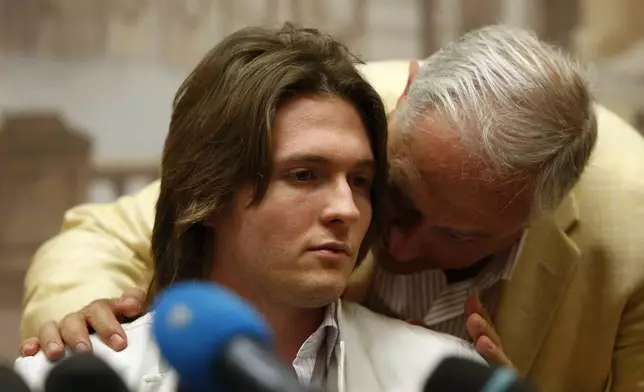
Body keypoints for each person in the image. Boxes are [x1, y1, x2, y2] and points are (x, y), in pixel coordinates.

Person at [19, 25, 644, 392]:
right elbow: (99, 238)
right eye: (394, 192)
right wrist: (91, 342)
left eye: (364, 183)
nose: (369, 226)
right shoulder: (335, 111)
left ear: (527, 219)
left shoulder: (627, 226)